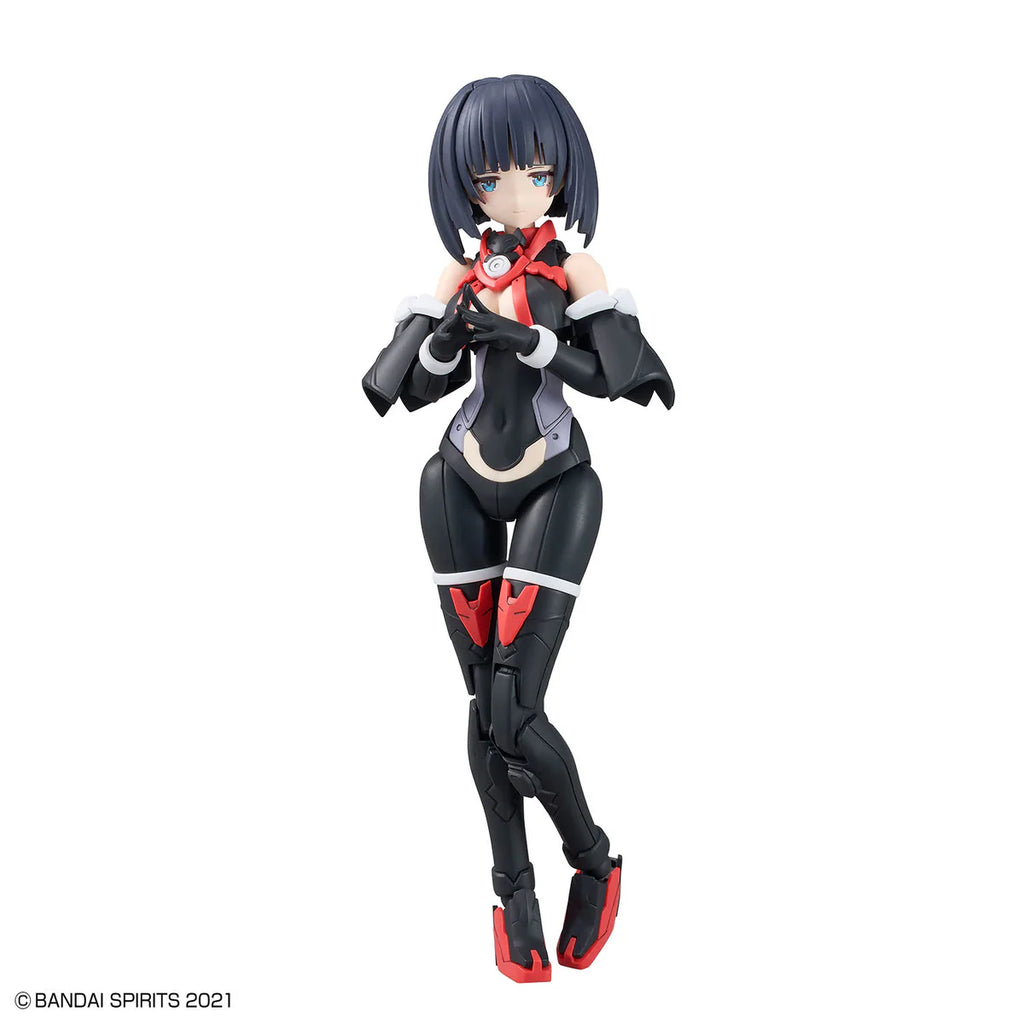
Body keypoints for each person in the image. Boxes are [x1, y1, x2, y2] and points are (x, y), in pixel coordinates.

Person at [362, 75, 673, 983]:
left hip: (556, 480)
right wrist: (447, 338)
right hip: (455, 480)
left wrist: (528, 342)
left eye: (534, 172)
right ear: (464, 186)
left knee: (514, 706)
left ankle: (593, 861)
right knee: (482, 708)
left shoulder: (577, 272)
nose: (513, 190)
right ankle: (513, 892)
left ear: (560, 175)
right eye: (490, 177)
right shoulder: (457, 277)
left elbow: (611, 377)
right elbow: (409, 391)